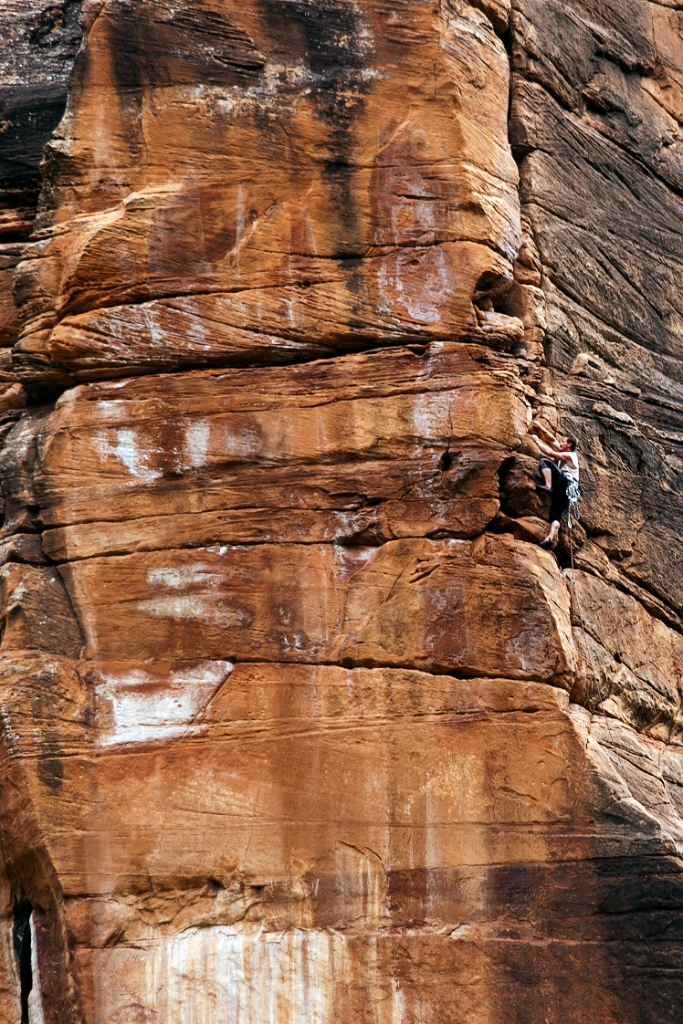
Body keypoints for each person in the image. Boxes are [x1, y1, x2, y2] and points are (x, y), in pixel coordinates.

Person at [529, 419, 580, 550]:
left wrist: (536, 441)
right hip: (567, 491)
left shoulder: (570, 456)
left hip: (565, 482)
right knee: (555, 514)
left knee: (545, 461)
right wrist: (540, 428)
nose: (560, 442)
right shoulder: (567, 453)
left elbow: (551, 452)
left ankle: (547, 485)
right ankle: (550, 538)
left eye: (563, 441)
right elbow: (552, 441)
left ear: (568, 445)